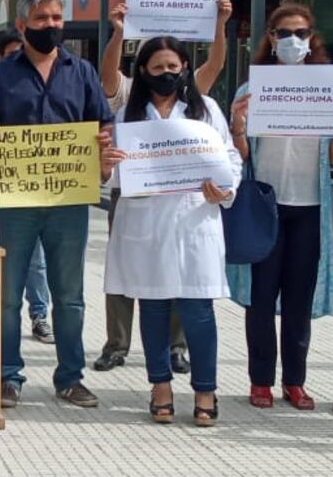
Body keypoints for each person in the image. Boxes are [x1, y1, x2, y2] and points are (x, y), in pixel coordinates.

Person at [0, 0, 113, 408]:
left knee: (70, 295)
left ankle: (70, 377)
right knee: (6, 296)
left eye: (57, 18)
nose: (51, 26)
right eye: (42, 19)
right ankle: (8, 376)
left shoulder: (81, 72)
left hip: (68, 202)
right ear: (22, 25)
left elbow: (103, 126)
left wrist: (104, 149)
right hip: (13, 202)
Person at [100, 36, 242, 426]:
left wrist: (226, 189)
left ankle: (205, 389)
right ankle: (159, 386)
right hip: (144, 222)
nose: (166, 74)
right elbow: (110, 174)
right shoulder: (128, 115)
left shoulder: (205, 109)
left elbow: (229, 156)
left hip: (195, 219)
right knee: (154, 307)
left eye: (173, 67)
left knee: (198, 309)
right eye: (157, 68)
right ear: (142, 71)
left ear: (184, 68)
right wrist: (106, 165)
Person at [226, 5, 333, 409]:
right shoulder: (250, 92)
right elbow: (242, 156)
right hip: (266, 205)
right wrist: (237, 129)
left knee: (298, 299)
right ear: (270, 37)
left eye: (301, 32)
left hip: (310, 206)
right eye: (284, 33)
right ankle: (260, 380)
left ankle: (294, 381)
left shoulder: (330, 90)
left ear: (312, 37)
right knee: (261, 298)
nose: (293, 41)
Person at [0, 28, 54, 345]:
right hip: (2, 184)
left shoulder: (53, 85)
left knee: (36, 259)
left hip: (44, 185)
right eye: (12, 55)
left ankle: (40, 315)